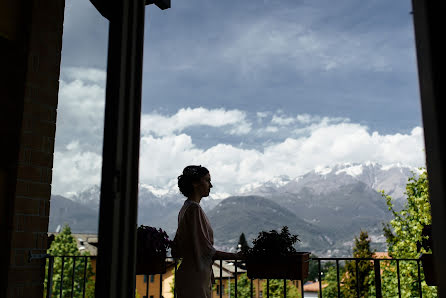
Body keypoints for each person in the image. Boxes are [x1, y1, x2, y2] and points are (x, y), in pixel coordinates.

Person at [172, 165, 240, 298]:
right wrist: (237, 256)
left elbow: (178, 247)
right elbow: (206, 250)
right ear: (195, 183)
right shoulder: (193, 209)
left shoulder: (186, 208)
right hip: (195, 276)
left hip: (191, 274)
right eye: (207, 180)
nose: (211, 185)